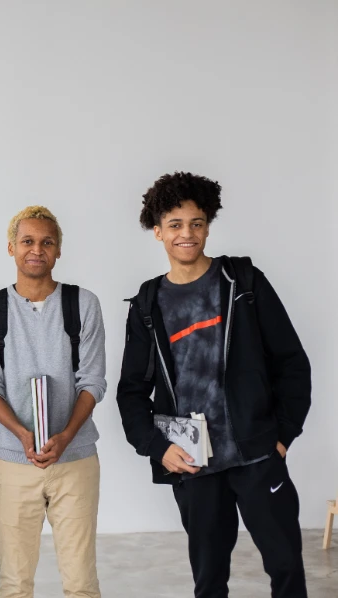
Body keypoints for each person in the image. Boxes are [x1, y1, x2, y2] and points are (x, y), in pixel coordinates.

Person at [116, 172, 310, 598]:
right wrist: (158, 448)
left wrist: (281, 436)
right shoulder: (148, 304)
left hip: (256, 455)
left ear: (208, 225)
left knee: (286, 569)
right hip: (194, 464)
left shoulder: (242, 282)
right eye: (175, 225)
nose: (187, 234)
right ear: (157, 232)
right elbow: (131, 392)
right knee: (208, 583)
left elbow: (292, 363)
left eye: (197, 223)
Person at [0, 206, 107, 598]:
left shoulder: (83, 304)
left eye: (47, 242)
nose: (36, 249)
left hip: (76, 459)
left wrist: (65, 436)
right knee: (14, 583)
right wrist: (21, 434)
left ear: (59, 250)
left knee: (81, 582)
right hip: (13, 461)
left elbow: (93, 381)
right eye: (27, 241)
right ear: (11, 248)